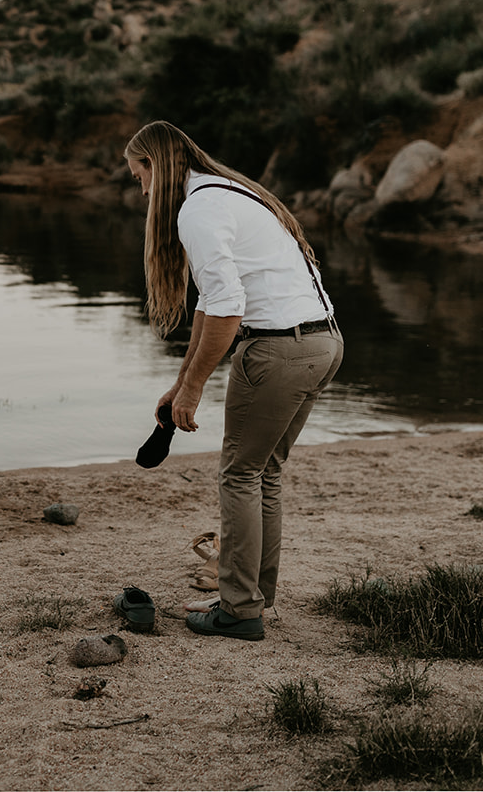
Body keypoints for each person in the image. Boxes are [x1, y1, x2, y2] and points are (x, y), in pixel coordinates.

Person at [124, 121, 343, 641]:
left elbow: (226, 308)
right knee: (263, 472)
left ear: (155, 164)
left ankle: (239, 611)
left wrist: (196, 388)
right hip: (322, 342)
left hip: (276, 350)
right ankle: (249, 598)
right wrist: (181, 381)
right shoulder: (230, 191)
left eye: (139, 176)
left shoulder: (198, 210)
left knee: (240, 475)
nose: (142, 189)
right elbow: (209, 302)